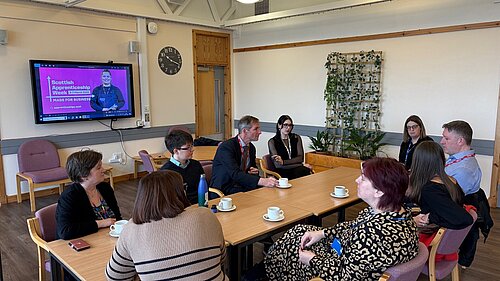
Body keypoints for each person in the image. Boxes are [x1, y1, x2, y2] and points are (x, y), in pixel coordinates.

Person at [264, 158, 419, 281]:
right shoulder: (400, 215)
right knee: (300, 231)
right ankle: (269, 265)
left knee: (293, 249)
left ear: (379, 191)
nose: (357, 180)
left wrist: (312, 259)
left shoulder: (374, 235)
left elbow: (345, 275)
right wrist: (322, 233)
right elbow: (354, 226)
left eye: (363, 179)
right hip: (347, 255)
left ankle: (268, 269)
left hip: (338, 268)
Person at [106, 170, 227, 281]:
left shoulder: (131, 230)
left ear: (142, 198)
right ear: (179, 192)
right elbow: (222, 258)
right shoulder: (206, 215)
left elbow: (114, 277)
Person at [441, 120, 493, 268]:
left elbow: (447, 199)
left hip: (459, 207)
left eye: (446, 138)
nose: (442, 141)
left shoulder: (464, 169)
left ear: (460, 141)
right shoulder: (456, 159)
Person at [407, 141, 473, 233]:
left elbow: (464, 219)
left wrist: (429, 218)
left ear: (418, 162)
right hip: (446, 239)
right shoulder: (450, 181)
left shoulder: (430, 189)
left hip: (428, 236)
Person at [56, 150, 121, 240]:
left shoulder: (105, 188)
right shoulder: (69, 196)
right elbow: (65, 231)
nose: (103, 170)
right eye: (98, 168)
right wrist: (100, 223)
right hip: (83, 243)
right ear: (83, 175)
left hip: (107, 239)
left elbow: (117, 218)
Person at [211, 115, 278, 195]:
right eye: (256, 129)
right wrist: (263, 181)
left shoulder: (251, 148)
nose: (260, 132)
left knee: (270, 192)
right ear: (245, 131)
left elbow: (252, 169)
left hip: (242, 184)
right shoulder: (226, 147)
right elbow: (235, 173)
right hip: (225, 188)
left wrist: (254, 171)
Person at [160, 129, 204, 205]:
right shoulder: (166, 172)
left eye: (192, 146)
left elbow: (203, 187)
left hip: (200, 204)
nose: (192, 150)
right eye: (188, 147)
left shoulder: (196, 165)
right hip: (180, 209)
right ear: (176, 151)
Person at [268, 115, 312, 179]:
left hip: (296, 169)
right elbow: (278, 165)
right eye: (285, 125)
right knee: (301, 171)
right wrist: (301, 164)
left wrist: (284, 162)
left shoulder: (296, 138)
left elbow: (300, 158)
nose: (288, 128)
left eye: (290, 125)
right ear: (279, 125)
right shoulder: (272, 142)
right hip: (282, 170)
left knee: (303, 171)